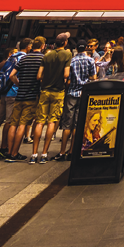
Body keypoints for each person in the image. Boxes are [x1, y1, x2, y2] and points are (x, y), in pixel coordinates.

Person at [30, 33, 72, 164]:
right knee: (52, 122)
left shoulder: (47, 55)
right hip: (58, 91)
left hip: (45, 91)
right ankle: (44, 153)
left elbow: (38, 76)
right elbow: (66, 74)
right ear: (65, 43)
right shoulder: (67, 54)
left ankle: (33, 153)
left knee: (40, 121)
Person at [6, 36, 46, 162]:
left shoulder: (23, 58)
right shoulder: (42, 59)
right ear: (43, 46)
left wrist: (18, 84)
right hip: (31, 95)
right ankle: (14, 153)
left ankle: (9, 151)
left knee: (14, 124)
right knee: (23, 125)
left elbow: (11, 75)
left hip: (19, 95)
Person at [0, 41, 29, 159]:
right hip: (13, 92)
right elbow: (13, 75)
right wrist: (19, 85)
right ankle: (4, 147)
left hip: (4, 91)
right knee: (10, 121)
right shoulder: (24, 58)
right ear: (28, 47)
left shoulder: (11, 57)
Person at [55, 41, 96, 160]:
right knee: (77, 124)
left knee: (67, 123)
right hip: (84, 93)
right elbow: (93, 77)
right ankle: (72, 151)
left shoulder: (71, 61)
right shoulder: (90, 60)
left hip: (71, 93)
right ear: (86, 48)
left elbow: (67, 77)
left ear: (76, 49)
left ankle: (62, 152)